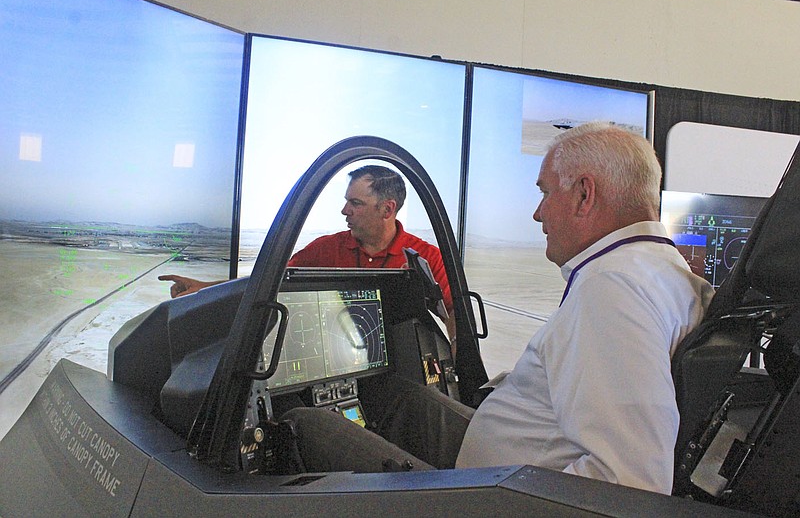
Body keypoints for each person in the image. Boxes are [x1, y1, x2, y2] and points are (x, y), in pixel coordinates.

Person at [282, 122, 714, 495]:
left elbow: (630, 482)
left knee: (305, 424)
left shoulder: (613, 288)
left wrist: (486, 499)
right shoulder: (661, 267)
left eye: (545, 193)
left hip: (490, 492)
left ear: (585, 195)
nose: (537, 213)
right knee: (396, 396)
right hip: (506, 464)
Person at [159, 165, 454, 336]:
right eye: (346, 201)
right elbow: (268, 280)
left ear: (387, 209)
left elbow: (454, 314)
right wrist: (204, 289)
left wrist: (457, 357)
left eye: (356, 203)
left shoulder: (425, 257)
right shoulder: (328, 249)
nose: (344, 210)